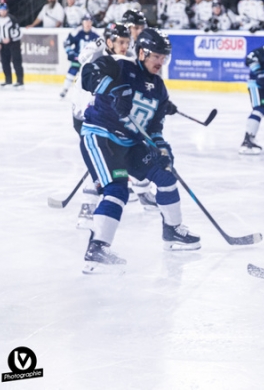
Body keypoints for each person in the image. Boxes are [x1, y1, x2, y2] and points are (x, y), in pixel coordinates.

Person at [78, 28, 199, 274]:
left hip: (131, 144)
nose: (160, 62)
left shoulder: (159, 89)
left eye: (164, 57)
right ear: (142, 52)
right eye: (156, 56)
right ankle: (97, 248)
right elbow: (88, 75)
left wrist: (162, 149)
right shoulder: (120, 65)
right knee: (117, 188)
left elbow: (154, 127)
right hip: (101, 136)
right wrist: (114, 88)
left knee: (165, 176)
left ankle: (172, 231)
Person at [70, 23, 132, 229]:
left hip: (100, 116)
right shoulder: (96, 59)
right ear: (109, 42)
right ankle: (87, 207)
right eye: (120, 42)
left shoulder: (121, 59)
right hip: (85, 115)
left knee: (104, 160)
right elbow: (83, 65)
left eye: (126, 42)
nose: (124, 46)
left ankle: (97, 201)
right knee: (99, 160)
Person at [60, 14, 100, 99]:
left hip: (90, 60)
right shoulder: (76, 32)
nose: (88, 24)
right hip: (77, 58)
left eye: (90, 21)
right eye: (86, 21)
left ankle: (93, 94)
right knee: (72, 71)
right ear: (82, 22)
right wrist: (70, 52)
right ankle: (65, 89)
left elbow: (101, 48)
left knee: (93, 76)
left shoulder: (96, 34)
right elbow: (66, 43)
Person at [0, 3, 24, 89]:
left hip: (14, 44)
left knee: (16, 62)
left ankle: (20, 81)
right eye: (1, 10)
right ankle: (8, 80)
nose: (2, 12)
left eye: (4, 10)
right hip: (3, 45)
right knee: (5, 62)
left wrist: (10, 39)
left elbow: (18, 32)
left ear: (7, 10)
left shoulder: (12, 19)